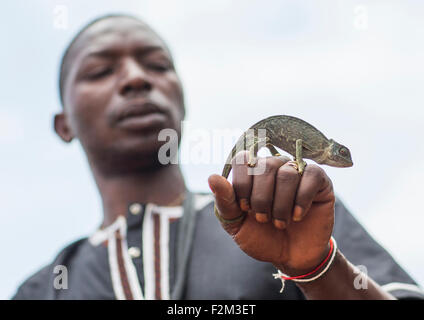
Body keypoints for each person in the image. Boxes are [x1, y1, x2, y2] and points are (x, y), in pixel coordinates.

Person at [12, 14, 423, 300]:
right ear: (63, 125)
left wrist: (319, 268)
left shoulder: (290, 205)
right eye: (100, 71)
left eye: (157, 65)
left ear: (182, 102)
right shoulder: (41, 289)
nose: (136, 78)